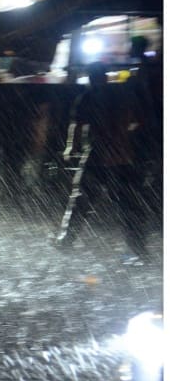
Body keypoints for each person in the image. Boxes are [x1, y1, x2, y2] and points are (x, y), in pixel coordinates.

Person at [55, 62, 148, 263]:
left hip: (98, 156)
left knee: (81, 200)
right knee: (129, 204)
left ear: (91, 77)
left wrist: (71, 148)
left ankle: (66, 240)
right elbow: (137, 120)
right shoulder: (122, 95)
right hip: (123, 156)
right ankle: (139, 248)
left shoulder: (87, 97)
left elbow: (77, 126)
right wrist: (123, 135)